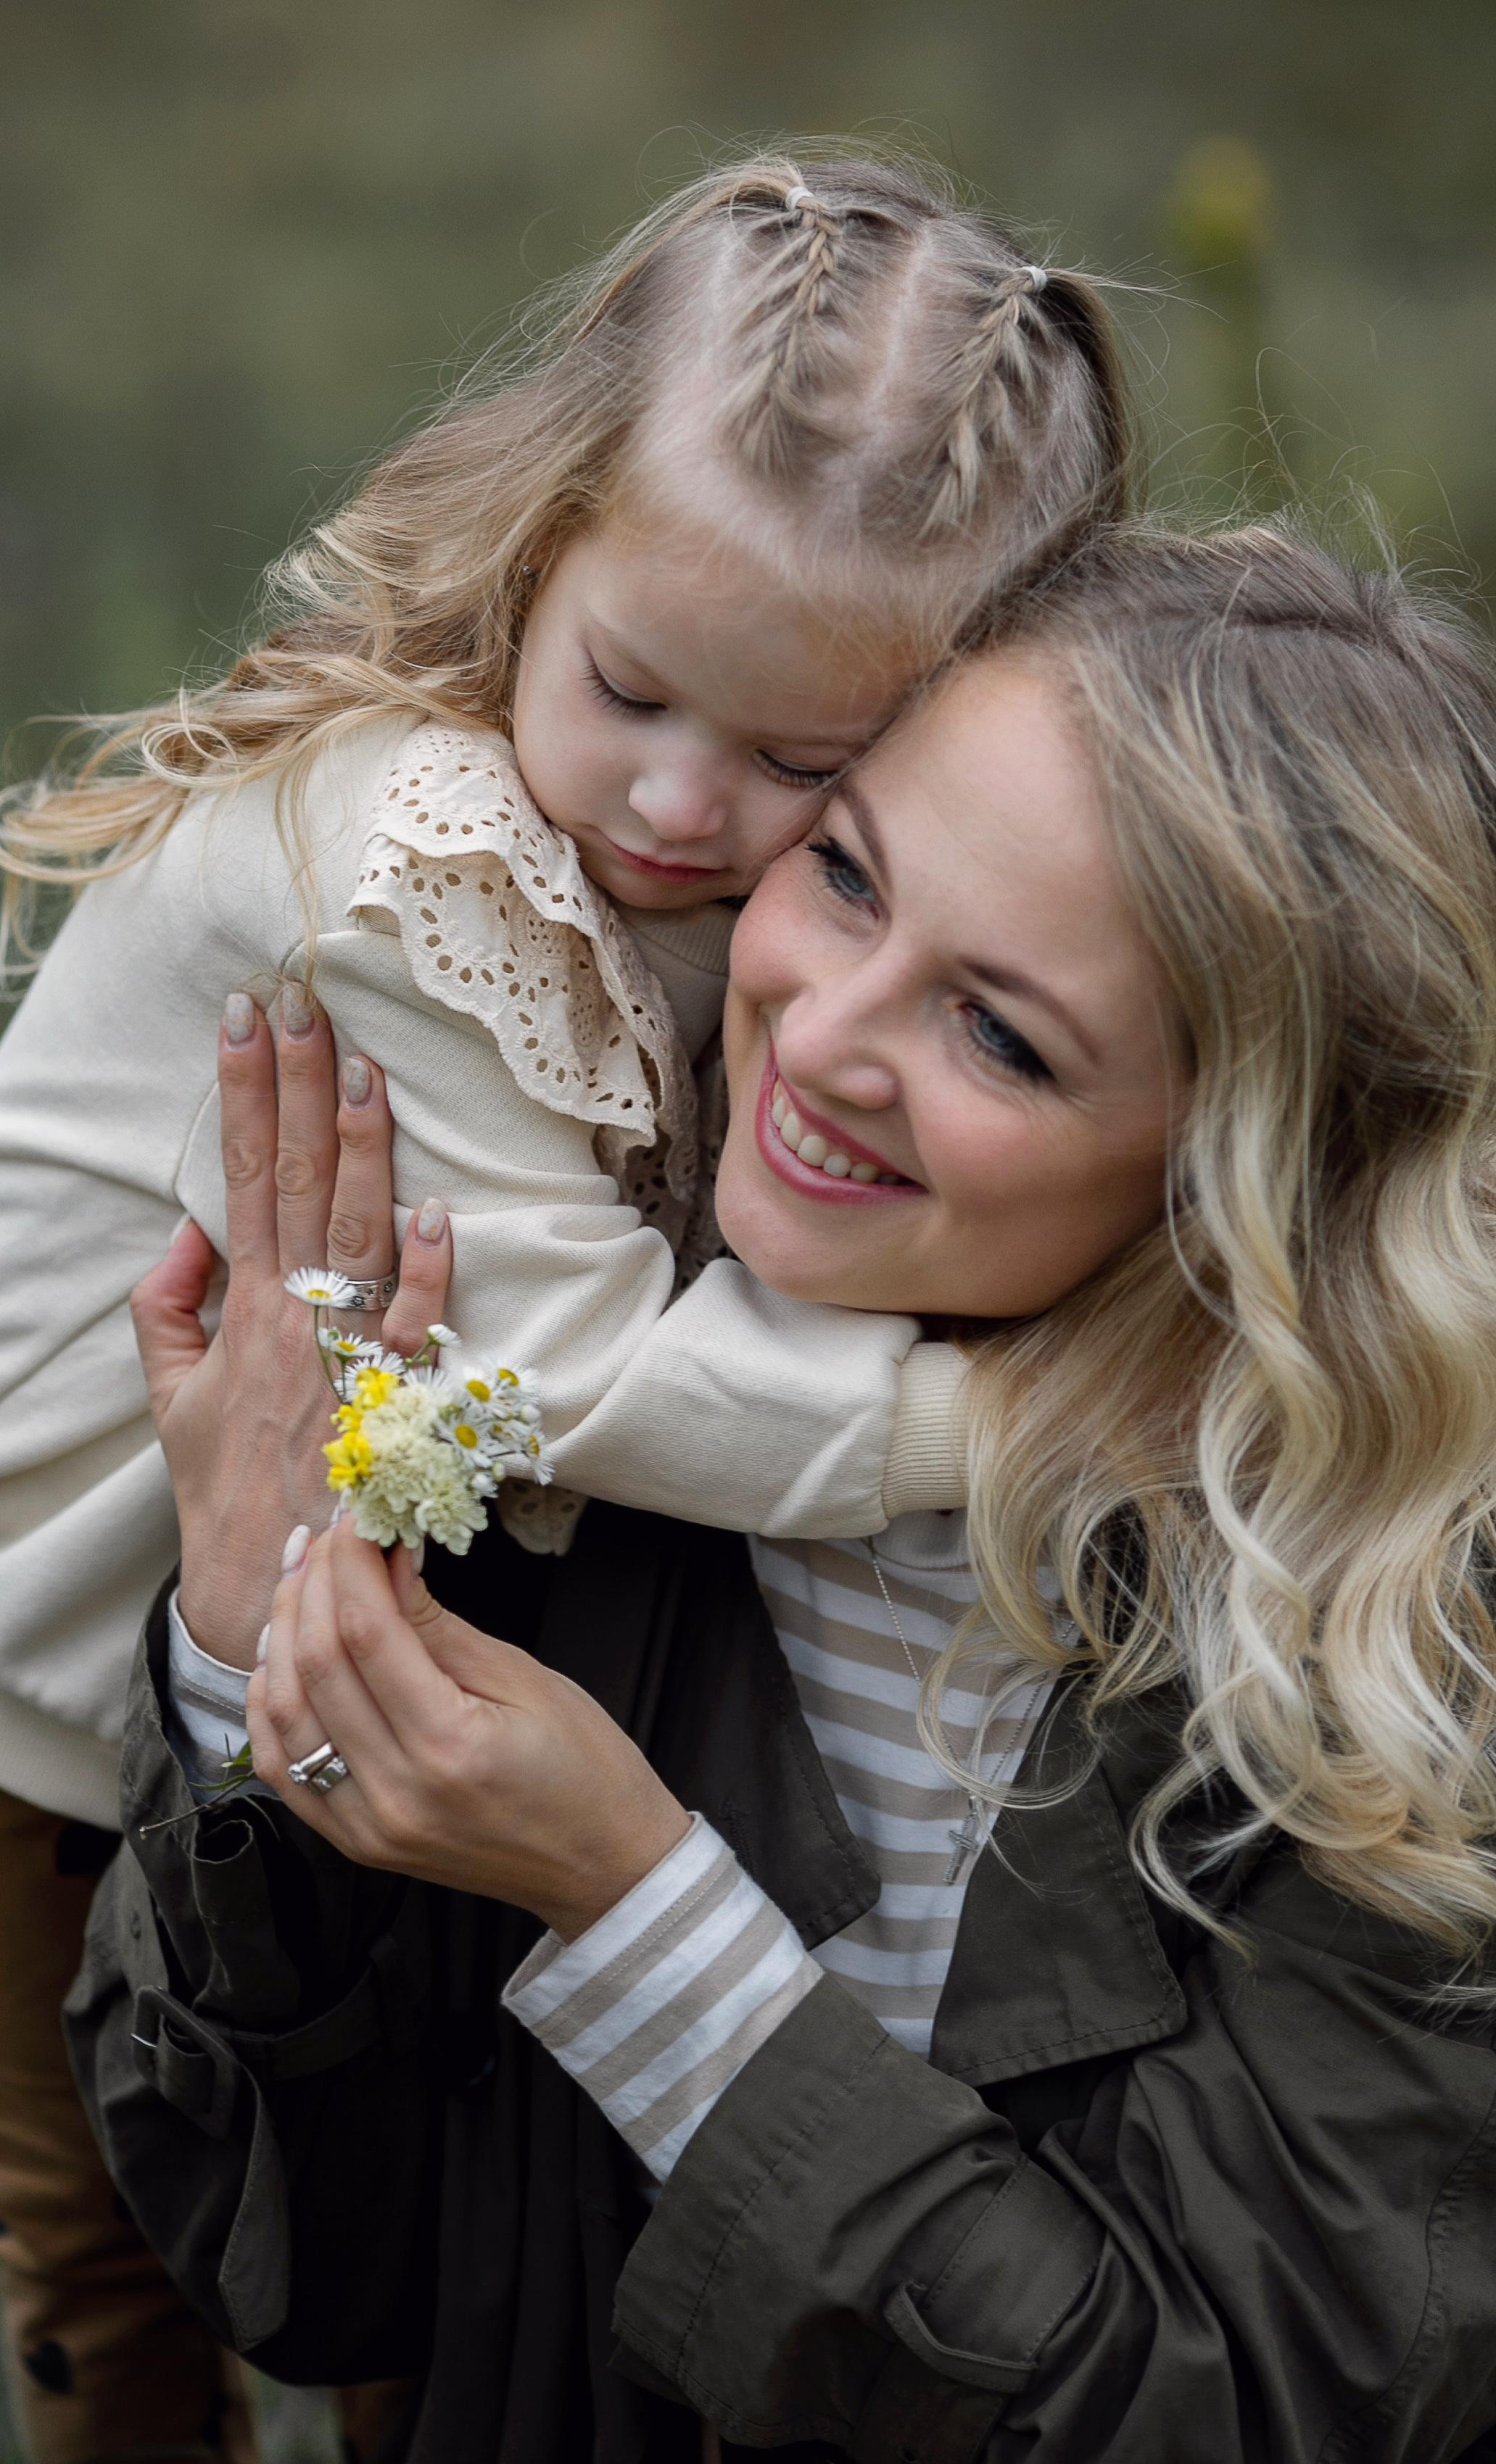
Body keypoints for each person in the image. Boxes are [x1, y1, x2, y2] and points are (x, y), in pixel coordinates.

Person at [76, 520, 1496, 2462]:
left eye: (995, 1031)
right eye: (840, 876)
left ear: (1241, 1178)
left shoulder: (1465, 1642)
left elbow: (1225, 2411)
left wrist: (631, 1900)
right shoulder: (586, 1409)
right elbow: (303, 2269)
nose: (811, 1037)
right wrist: (252, 1669)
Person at [0, 149, 1135, 2457]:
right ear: (539, 546)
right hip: (28, 1697)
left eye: (805, 765)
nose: (679, 807)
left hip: (268, 1631)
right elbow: (594, 1378)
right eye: (630, 688)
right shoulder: (425, 869)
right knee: (109, 2241)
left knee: (340, 2194)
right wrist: (1042, 1425)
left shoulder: (589, 798)